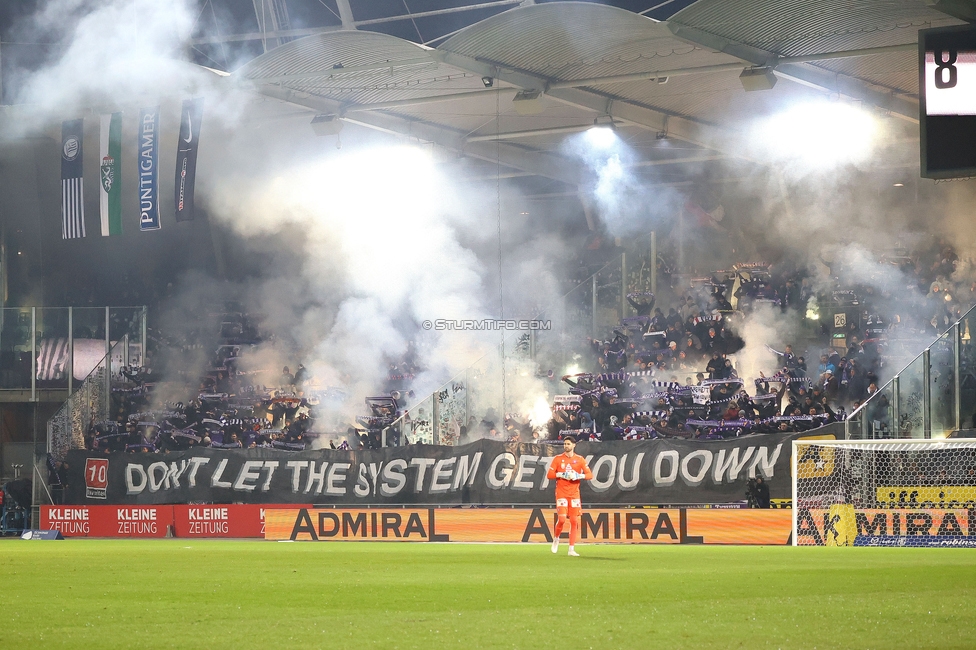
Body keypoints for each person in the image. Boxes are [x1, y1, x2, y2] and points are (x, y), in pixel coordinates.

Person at [546, 436, 593, 557]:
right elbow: (550, 475)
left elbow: (589, 475)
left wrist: (578, 476)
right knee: (561, 519)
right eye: (565, 444)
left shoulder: (580, 459)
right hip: (561, 492)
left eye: (568, 444)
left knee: (574, 521)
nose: (566, 446)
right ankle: (556, 538)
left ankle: (571, 549)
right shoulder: (558, 459)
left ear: (574, 445)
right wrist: (562, 474)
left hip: (574, 494)